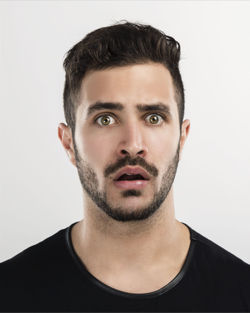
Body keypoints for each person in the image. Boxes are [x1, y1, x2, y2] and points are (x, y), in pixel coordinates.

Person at [0, 20, 249, 313]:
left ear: (182, 138)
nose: (132, 144)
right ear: (69, 143)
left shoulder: (241, 293)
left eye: (154, 117)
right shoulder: (9, 293)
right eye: (105, 118)